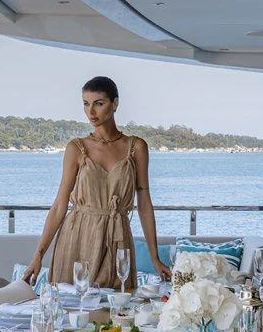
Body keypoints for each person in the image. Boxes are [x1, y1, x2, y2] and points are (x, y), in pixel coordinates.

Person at [23, 76, 170, 288]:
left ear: (115, 104)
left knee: (119, 304)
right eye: (86, 104)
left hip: (117, 238)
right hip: (77, 238)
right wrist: (38, 256)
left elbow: (144, 204)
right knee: (72, 304)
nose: (91, 112)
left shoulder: (136, 147)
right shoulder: (76, 148)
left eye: (98, 104)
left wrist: (154, 258)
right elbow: (59, 206)